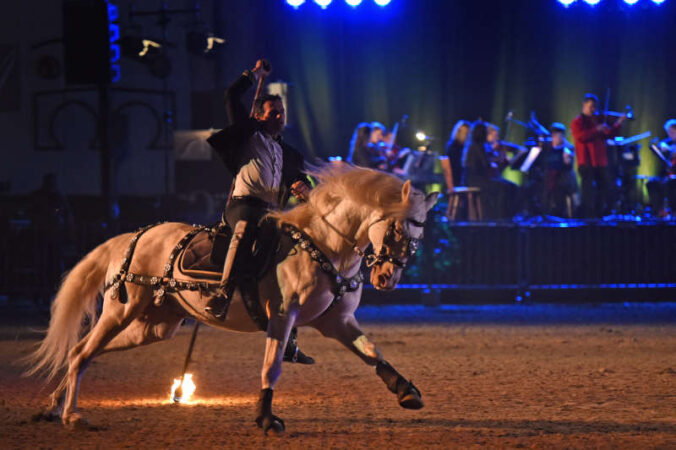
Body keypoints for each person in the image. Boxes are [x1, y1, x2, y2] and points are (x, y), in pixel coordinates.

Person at [206, 59, 313, 363]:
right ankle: (223, 294)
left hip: (272, 213)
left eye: (282, 113)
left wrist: (303, 188)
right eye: (273, 113)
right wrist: (254, 75)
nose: (279, 117)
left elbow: (298, 179)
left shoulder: (289, 153)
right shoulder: (247, 135)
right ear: (258, 115)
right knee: (245, 226)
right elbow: (231, 96)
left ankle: (291, 330)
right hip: (242, 206)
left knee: (293, 247)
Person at [570, 93, 627, 217]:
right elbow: (580, 136)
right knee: (588, 190)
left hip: (600, 161)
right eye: (590, 107)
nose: (593, 110)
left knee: (605, 188)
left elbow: (610, 134)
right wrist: (596, 129)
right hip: (586, 161)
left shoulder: (598, 120)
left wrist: (618, 123)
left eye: (594, 107)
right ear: (584, 105)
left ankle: (599, 213)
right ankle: (588, 215)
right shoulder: (577, 122)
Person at [462, 121, 518, 219]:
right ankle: (500, 216)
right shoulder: (477, 146)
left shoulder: (475, 146)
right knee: (503, 186)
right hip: (476, 180)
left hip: (478, 179)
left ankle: (506, 215)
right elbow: (485, 165)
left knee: (509, 185)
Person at [542, 123, 579, 216]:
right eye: (554, 135)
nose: (556, 137)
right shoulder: (547, 148)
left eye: (559, 134)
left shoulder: (568, 148)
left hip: (563, 178)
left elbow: (568, 166)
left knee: (565, 181)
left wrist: (567, 159)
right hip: (549, 178)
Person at [646, 119, 676, 217]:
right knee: (651, 183)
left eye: (671, 132)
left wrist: (670, 149)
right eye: (668, 133)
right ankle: (660, 210)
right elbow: (662, 144)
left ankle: (673, 211)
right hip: (668, 175)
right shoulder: (669, 142)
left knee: (670, 184)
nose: (670, 135)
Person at [445, 120, 471, 186]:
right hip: (456, 179)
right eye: (464, 133)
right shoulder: (453, 146)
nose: (466, 136)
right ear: (458, 132)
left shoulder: (466, 146)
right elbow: (456, 165)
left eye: (467, 133)